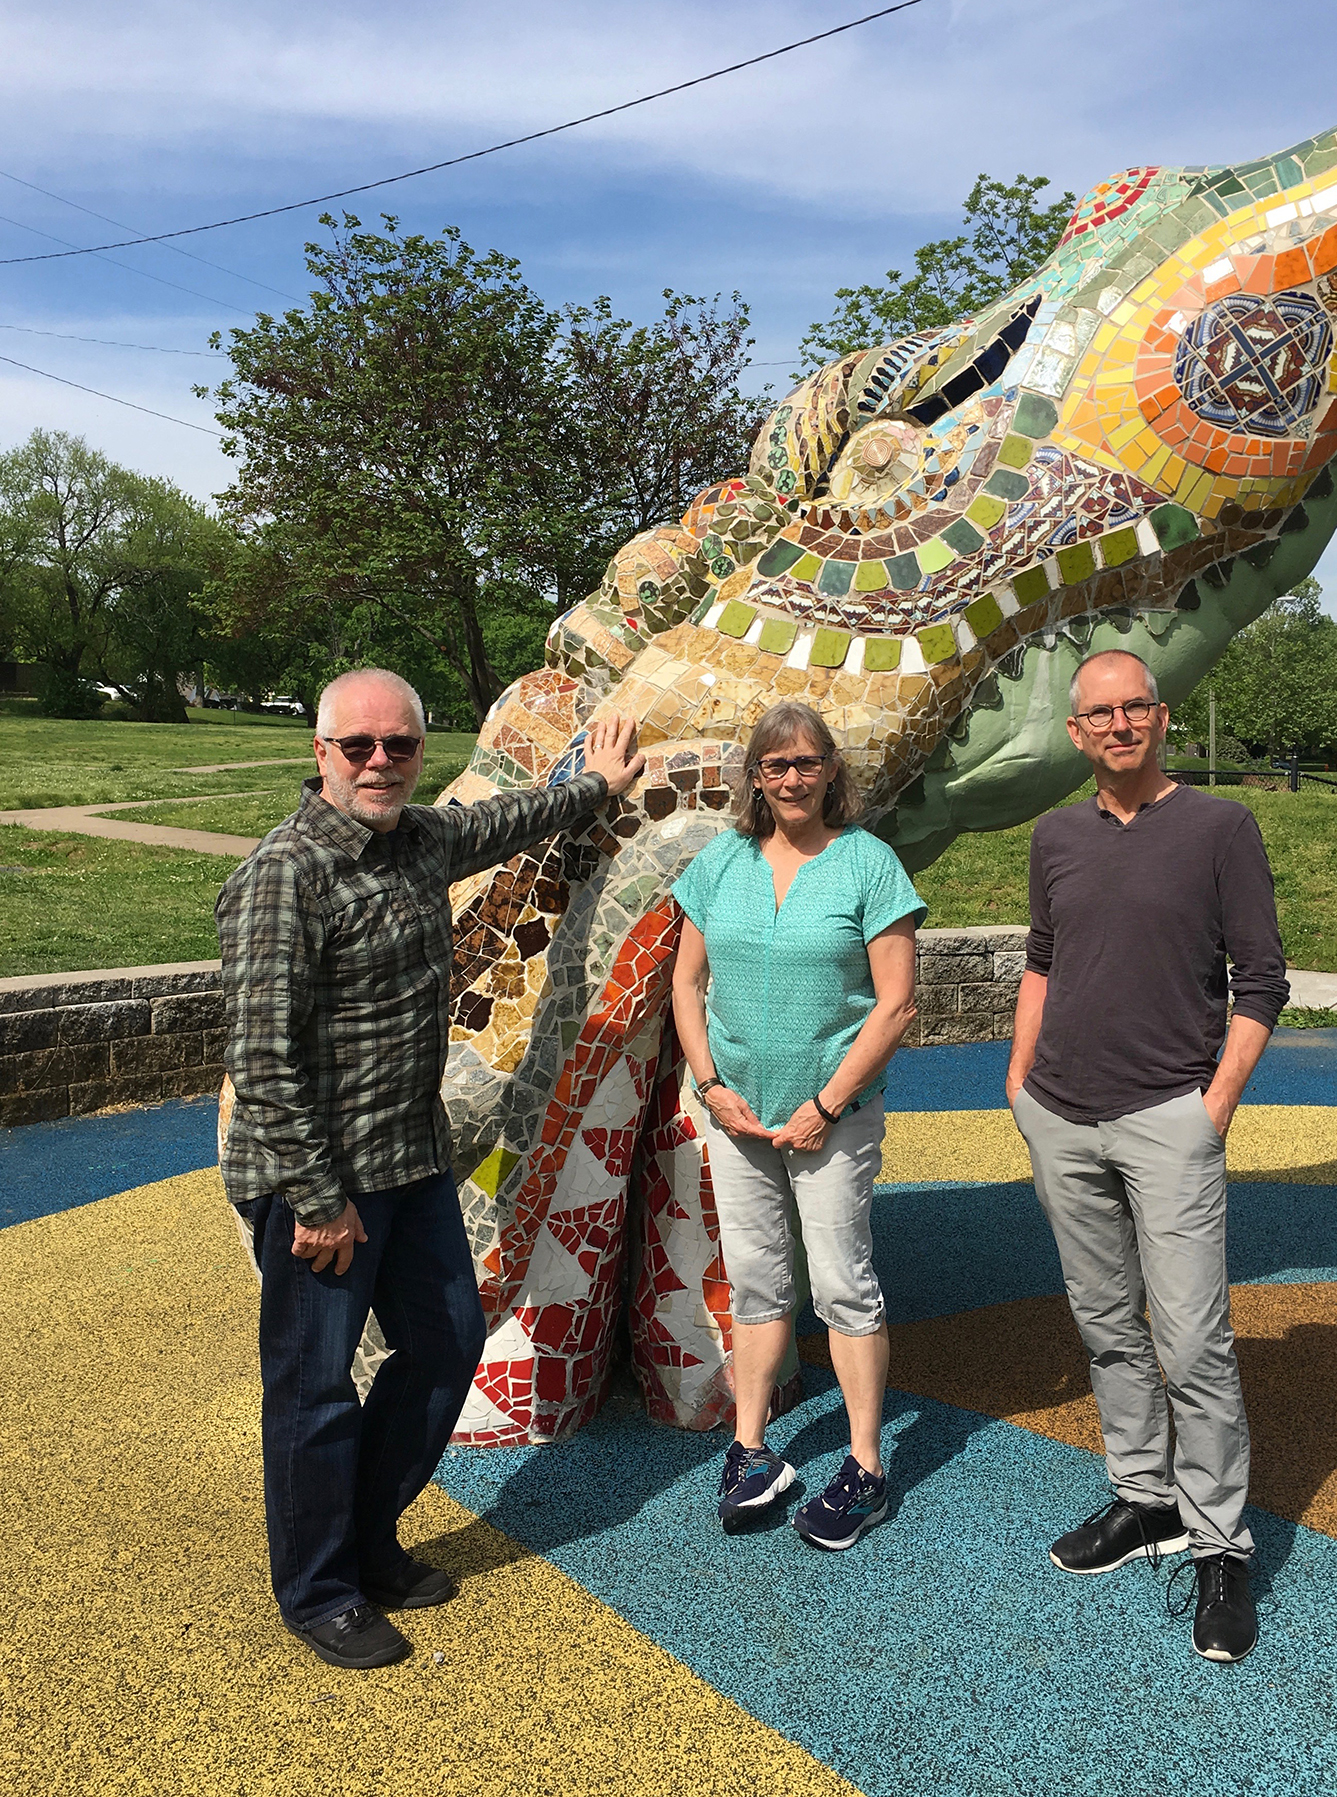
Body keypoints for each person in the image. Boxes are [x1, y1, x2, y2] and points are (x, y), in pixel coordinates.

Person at [216, 668, 643, 1670]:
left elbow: (504, 823)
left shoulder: (417, 841)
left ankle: (368, 1540)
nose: (379, 762)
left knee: (448, 1344)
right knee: (315, 1387)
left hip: (409, 1163)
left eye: (399, 746)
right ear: (319, 753)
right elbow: (264, 1055)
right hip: (318, 1180)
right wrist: (316, 1200)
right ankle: (319, 1589)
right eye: (357, 746)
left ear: (418, 751)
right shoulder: (288, 875)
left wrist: (598, 786)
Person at [1006, 648, 1288, 1664]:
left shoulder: (1220, 828)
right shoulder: (1056, 835)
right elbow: (1042, 957)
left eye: (1136, 708)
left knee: (1194, 1342)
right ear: (1076, 734)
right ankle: (1144, 1497)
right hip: (1061, 1115)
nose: (1120, 724)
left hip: (1169, 1114)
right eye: (1100, 713)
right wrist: (1019, 1075)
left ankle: (1221, 1544)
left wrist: (1212, 1107)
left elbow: (1259, 979)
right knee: (1104, 1325)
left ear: (1161, 719)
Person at [670, 700, 926, 1549]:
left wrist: (824, 1104)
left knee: (842, 1283)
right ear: (755, 776)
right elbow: (685, 985)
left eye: (807, 762)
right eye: (776, 765)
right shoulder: (721, 863)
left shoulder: (868, 864)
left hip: (835, 1117)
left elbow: (895, 1006)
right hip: (737, 1114)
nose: (792, 778)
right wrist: (710, 1085)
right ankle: (750, 1450)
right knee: (755, 1283)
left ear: (830, 772)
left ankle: (865, 1466)